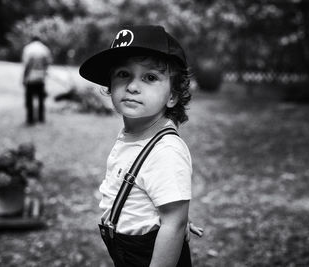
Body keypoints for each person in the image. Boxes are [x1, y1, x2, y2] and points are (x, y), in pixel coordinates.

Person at [79, 25, 203, 267]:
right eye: (123, 74)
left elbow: (173, 225)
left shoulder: (166, 151)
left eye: (150, 77)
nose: (133, 86)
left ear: (172, 96)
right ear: (110, 84)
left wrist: (176, 221)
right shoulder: (132, 134)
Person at [22, 35, 52, 125]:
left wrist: (24, 77)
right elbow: (48, 63)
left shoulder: (28, 48)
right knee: (41, 99)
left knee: (30, 99)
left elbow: (27, 65)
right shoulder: (45, 49)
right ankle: (41, 118)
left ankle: (30, 119)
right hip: (40, 78)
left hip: (31, 78)